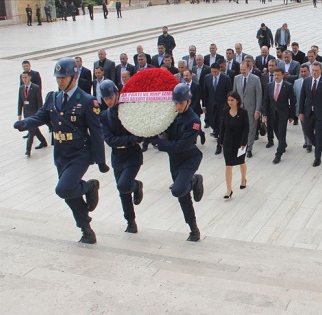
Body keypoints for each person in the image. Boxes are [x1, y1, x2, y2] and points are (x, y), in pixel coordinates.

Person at [13, 58, 108, 244]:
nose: (60, 81)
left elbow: (96, 133)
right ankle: (86, 230)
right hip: (61, 154)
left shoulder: (87, 101)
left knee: (64, 188)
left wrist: (101, 160)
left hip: (79, 153)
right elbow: (41, 115)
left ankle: (89, 186)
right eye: (58, 77)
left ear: (75, 76)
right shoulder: (53, 97)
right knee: (69, 194)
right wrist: (26, 123)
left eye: (64, 77)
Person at [149, 84, 204, 242]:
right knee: (182, 195)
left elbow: (181, 146)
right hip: (175, 159)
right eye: (176, 103)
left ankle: (194, 180)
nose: (178, 106)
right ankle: (194, 229)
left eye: (181, 103)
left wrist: (159, 143)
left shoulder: (194, 121)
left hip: (189, 158)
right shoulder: (172, 115)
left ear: (188, 101)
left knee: (177, 189)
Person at [99, 80, 144, 233]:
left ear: (117, 94)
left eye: (110, 98)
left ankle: (136, 185)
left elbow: (138, 133)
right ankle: (130, 221)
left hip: (132, 155)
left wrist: (131, 139)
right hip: (117, 156)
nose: (108, 101)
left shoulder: (128, 110)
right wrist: (130, 139)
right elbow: (109, 140)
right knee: (122, 192)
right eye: (105, 99)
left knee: (123, 185)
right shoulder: (104, 115)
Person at [299, 63, 322, 167]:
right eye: (313, 70)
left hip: (320, 113)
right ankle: (318, 146)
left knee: (319, 134)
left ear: (320, 71)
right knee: (307, 130)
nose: (314, 72)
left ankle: (317, 157)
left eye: (316, 71)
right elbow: (302, 98)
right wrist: (301, 112)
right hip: (308, 112)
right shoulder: (307, 81)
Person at [262, 68, 296, 164]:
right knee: (276, 131)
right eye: (275, 75)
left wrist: (292, 115)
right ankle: (283, 144)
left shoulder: (288, 86)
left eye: (278, 75)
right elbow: (266, 101)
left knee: (281, 132)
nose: (276, 77)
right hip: (272, 113)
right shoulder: (269, 86)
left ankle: (278, 154)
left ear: (282, 76)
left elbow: (292, 102)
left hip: (283, 113)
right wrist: (264, 114)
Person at [220, 91, 249, 198]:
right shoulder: (225, 111)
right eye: (228, 100)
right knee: (228, 165)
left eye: (232, 100)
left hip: (240, 142)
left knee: (241, 162)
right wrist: (221, 140)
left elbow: (246, 128)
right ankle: (229, 190)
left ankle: (243, 178)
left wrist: (244, 142)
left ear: (237, 101)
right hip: (228, 141)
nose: (230, 102)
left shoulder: (243, 112)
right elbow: (222, 127)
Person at [233, 61, 263, 158]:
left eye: (244, 70)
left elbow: (259, 95)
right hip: (239, 109)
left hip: (251, 109)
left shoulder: (255, 79)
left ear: (249, 68)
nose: (242, 72)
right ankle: (241, 147)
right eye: (241, 70)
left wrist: (257, 110)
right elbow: (234, 94)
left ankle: (249, 148)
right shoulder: (236, 78)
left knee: (251, 129)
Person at [18, 71, 47, 157]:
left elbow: (39, 101)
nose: (24, 79)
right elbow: (20, 101)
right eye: (22, 78)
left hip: (34, 113)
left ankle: (28, 150)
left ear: (30, 77)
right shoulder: (21, 88)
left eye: (25, 77)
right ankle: (43, 142)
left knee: (31, 131)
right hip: (27, 113)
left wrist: (40, 113)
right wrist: (19, 113)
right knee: (35, 130)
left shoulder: (35, 88)